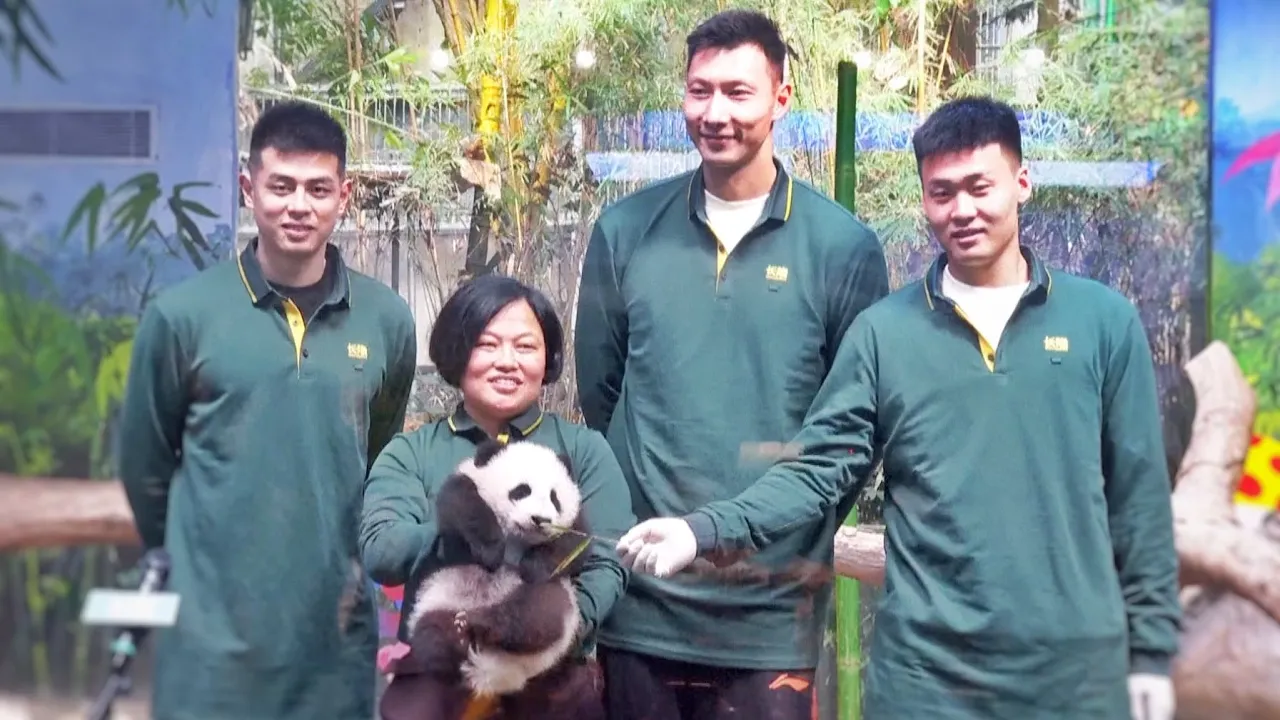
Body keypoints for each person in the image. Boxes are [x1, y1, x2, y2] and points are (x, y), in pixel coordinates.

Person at [619, 96, 1182, 720]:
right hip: (926, 681)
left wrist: (1152, 655)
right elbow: (818, 467)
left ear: (1022, 183)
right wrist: (701, 529)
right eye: (942, 193)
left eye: (979, 187)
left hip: (1075, 677)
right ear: (923, 202)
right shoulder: (885, 333)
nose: (962, 210)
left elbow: (1140, 504)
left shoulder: (1103, 322)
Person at [573, 9, 890, 719]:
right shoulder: (625, 232)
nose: (715, 112)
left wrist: (776, 534)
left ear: (780, 98)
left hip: (769, 617)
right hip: (641, 605)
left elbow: (846, 444)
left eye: (738, 92)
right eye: (700, 90)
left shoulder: (843, 249)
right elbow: (601, 396)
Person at [117, 101, 419, 719]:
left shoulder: (386, 319)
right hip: (212, 644)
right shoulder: (183, 317)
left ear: (346, 194)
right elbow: (146, 471)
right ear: (248, 188)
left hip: (332, 639)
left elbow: (377, 458)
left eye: (318, 188)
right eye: (280, 186)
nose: (298, 206)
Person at [361, 274, 634, 720]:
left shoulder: (582, 449)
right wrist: (468, 523)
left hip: (553, 681)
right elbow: (382, 551)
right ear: (457, 351)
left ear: (548, 358)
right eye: (487, 344)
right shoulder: (412, 451)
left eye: (525, 347)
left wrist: (546, 635)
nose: (507, 361)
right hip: (442, 677)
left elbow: (610, 558)